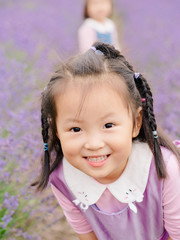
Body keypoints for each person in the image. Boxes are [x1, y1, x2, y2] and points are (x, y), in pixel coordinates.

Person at [33, 42, 180, 240]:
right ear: (56, 130)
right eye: (75, 129)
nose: (94, 144)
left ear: (136, 122)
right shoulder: (63, 177)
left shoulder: (163, 169)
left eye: (108, 125)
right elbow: (87, 235)